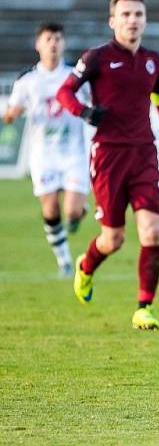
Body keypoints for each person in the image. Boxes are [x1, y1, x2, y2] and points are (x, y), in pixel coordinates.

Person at [57, 0, 159, 330]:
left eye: (138, 15)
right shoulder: (97, 57)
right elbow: (64, 92)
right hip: (108, 156)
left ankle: (144, 307)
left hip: (144, 154)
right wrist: (85, 112)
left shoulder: (152, 60)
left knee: (152, 232)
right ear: (112, 21)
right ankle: (87, 267)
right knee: (112, 239)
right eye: (126, 14)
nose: (133, 20)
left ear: (145, 20)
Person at [3, 23, 91, 278]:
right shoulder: (28, 80)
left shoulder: (75, 76)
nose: (53, 43)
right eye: (48, 39)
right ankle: (64, 260)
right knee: (50, 208)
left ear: (63, 44)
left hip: (73, 152)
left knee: (72, 211)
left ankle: (77, 215)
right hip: (43, 155)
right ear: (38, 44)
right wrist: (14, 113)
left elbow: (94, 100)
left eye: (58, 39)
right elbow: (9, 114)